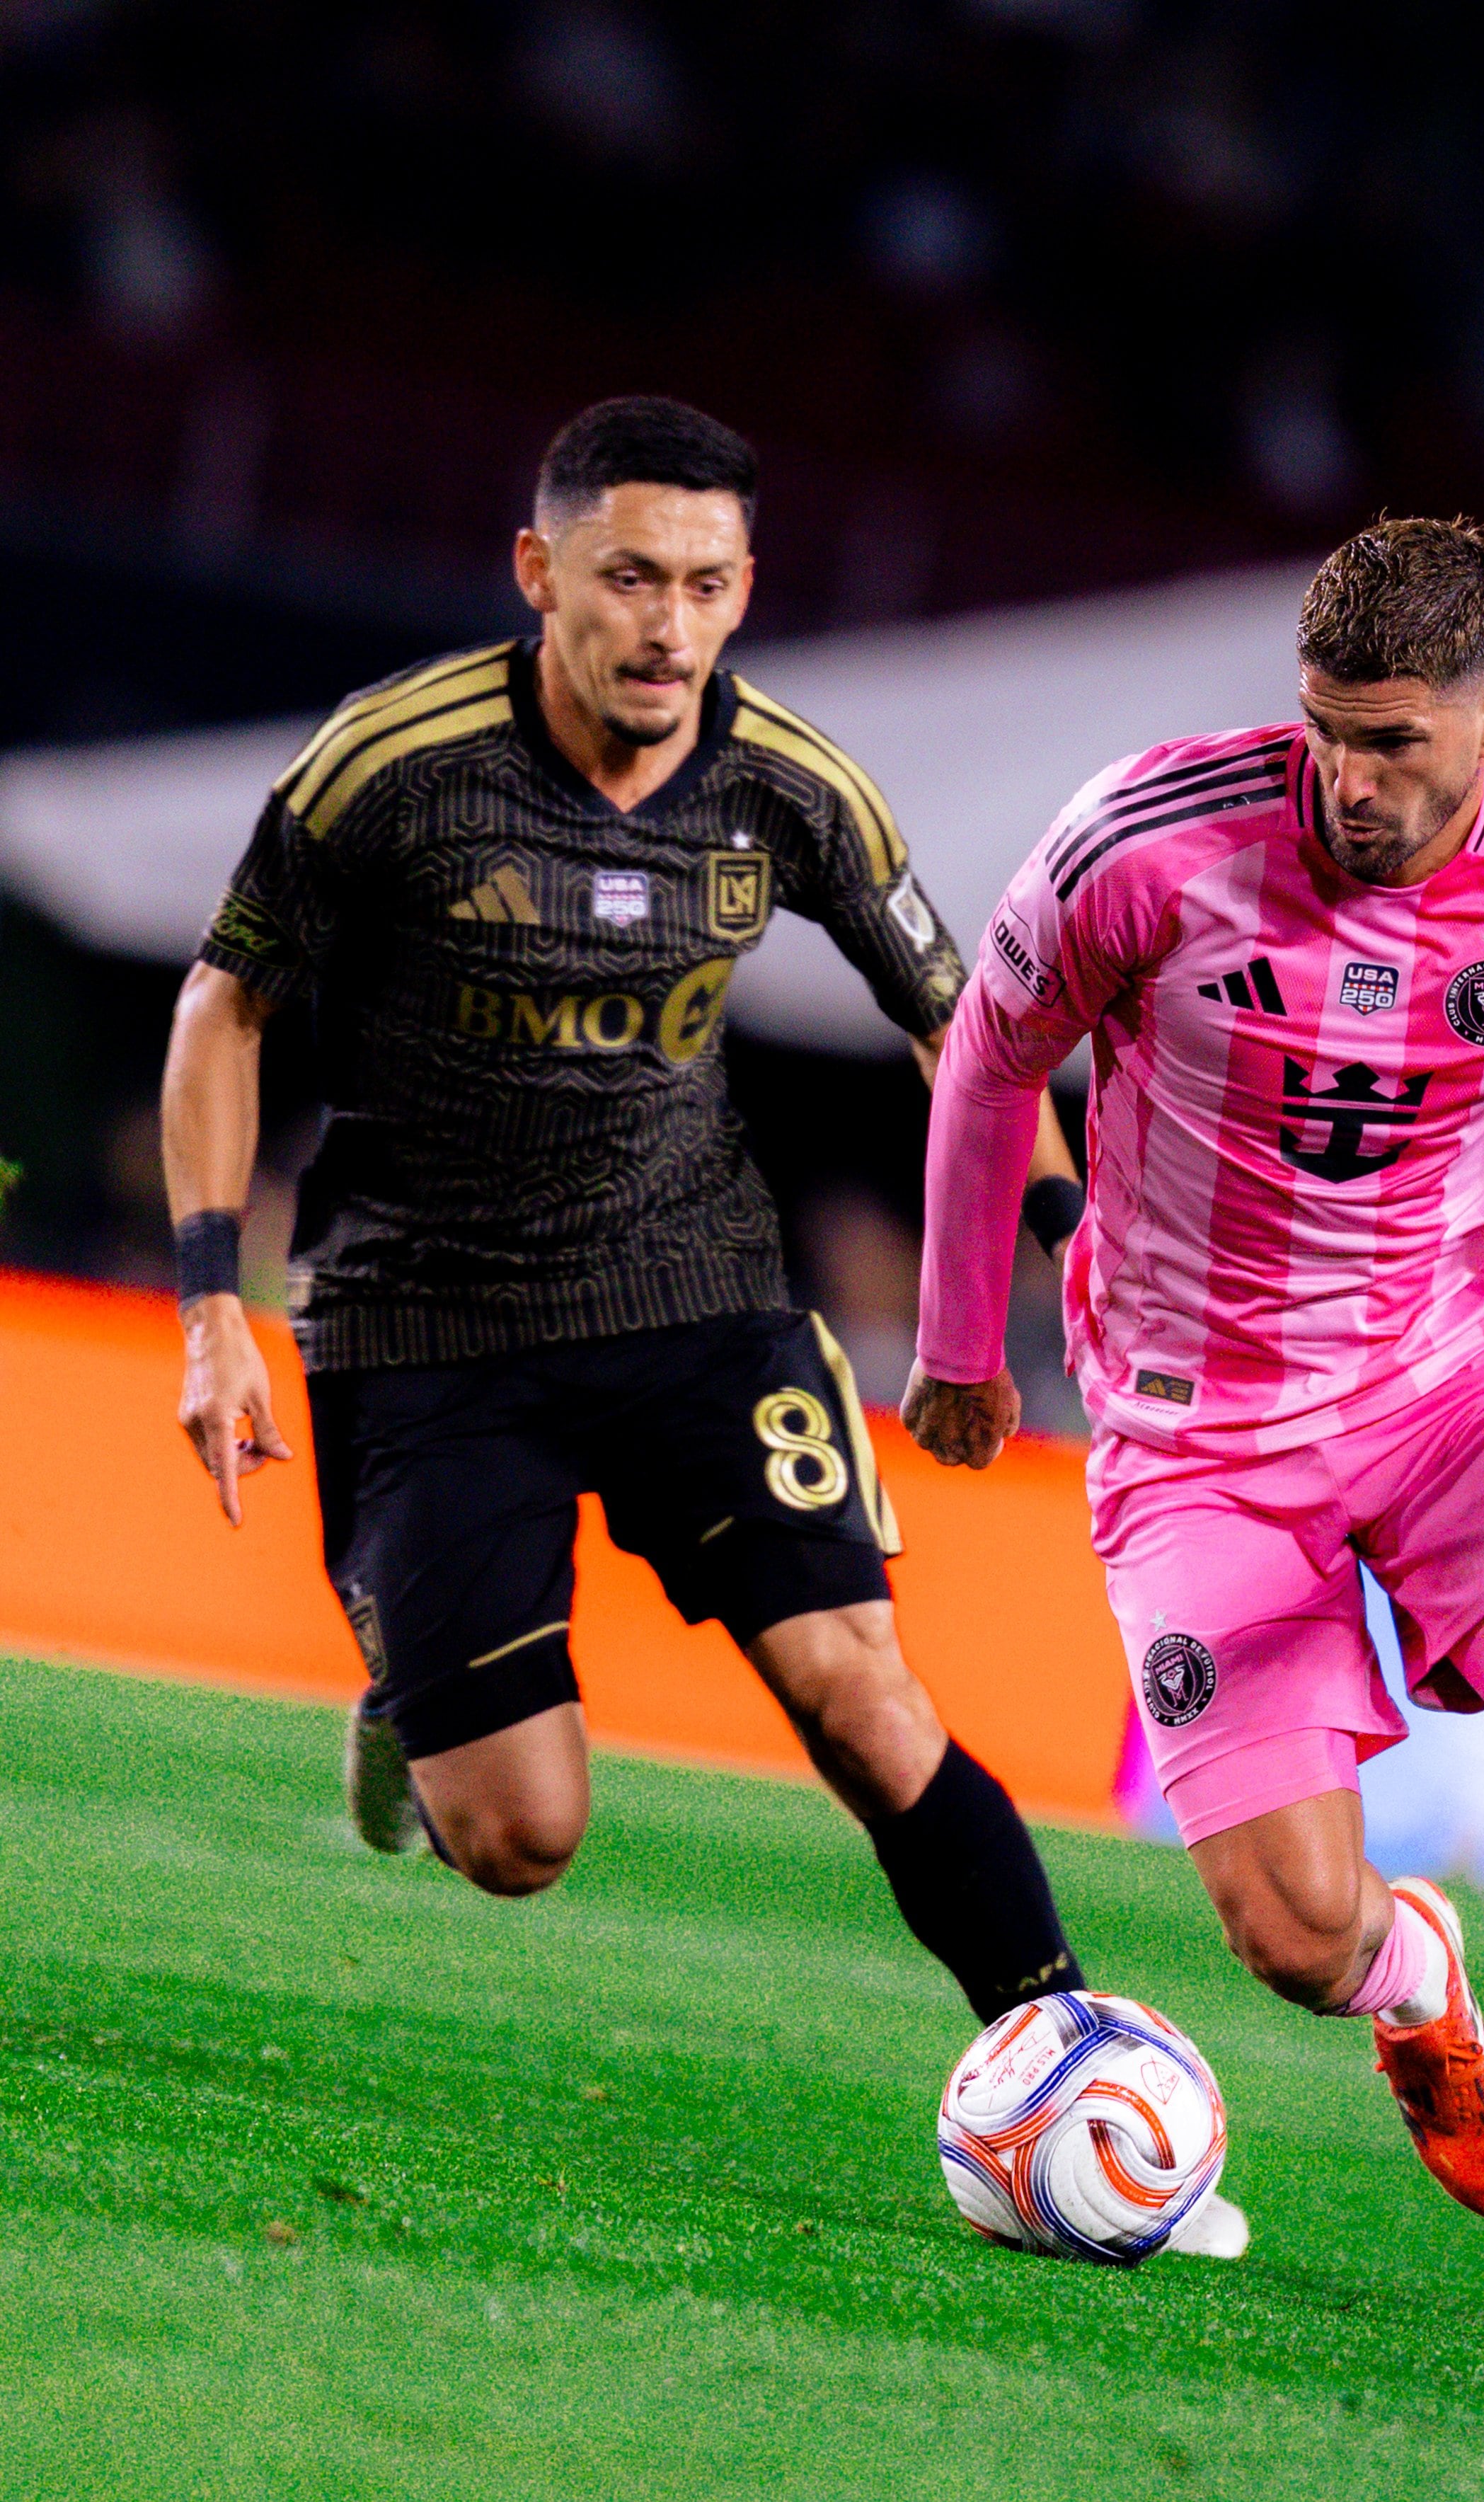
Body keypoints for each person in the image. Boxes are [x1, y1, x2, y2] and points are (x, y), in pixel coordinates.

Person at [160, 398, 1225, 2228]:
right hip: (427, 1327)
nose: (669, 625)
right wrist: (207, 1307)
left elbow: (963, 1030)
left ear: (745, 589)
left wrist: (1066, 1239)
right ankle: (411, 1695)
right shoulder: (392, 765)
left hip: (697, 1303)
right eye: (630, 577)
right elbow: (223, 1005)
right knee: (519, 1838)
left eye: (707, 585)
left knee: (862, 1694)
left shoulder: (791, 786)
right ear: (539, 571)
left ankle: (1080, 2075)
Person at [904, 517, 1484, 2387]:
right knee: (1291, 1935)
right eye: (1325, 729)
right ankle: (1413, 1977)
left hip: (1456, 1404)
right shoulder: (1142, 844)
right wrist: (955, 1347)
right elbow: (989, 1059)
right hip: (1193, 1439)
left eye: (1395, 740)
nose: (1349, 778)